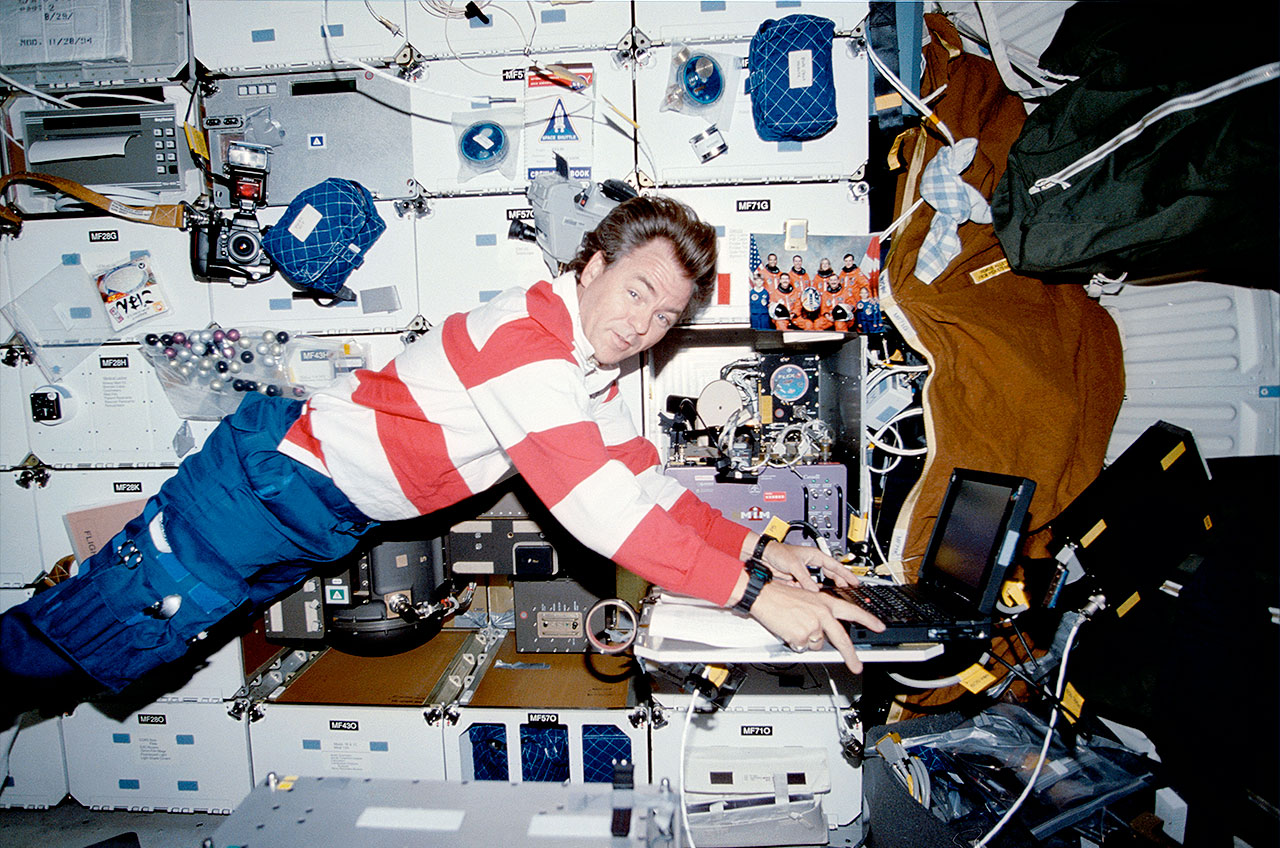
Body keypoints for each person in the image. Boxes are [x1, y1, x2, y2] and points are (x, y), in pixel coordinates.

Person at [0, 195, 882, 720]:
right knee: (83, 640)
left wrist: (760, 547)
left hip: (311, 516)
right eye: (637, 292)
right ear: (592, 264)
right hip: (261, 491)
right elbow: (602, 512)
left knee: (141, 641)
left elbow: (642, 483)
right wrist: (759, 598)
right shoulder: (528, 344)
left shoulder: (584, 371)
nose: (642, 327)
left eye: (664, 319)